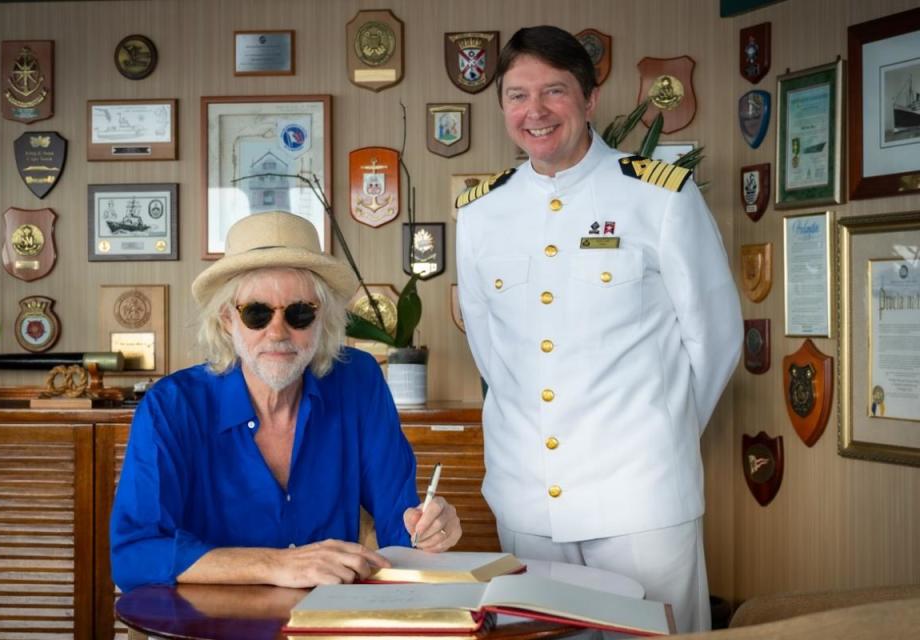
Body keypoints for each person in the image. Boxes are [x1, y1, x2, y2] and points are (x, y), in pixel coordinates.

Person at [455, 26, 742, 633]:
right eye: (517, 95)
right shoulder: (481, 213)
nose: (535, 111)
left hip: (641, 497)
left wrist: (658, 435)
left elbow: (715, 338)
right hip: (527, 497)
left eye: (554, 92)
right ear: (503, 106)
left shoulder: (659, 196)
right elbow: (491, 352)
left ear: (589, 101)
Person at [111, 211, 462, 592]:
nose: (278, 332)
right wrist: (275, 565)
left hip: (328, 625)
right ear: (228, 319)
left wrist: (428, 531)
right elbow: (135, 553)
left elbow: (398, 526)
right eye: (257, 314)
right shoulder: (171, 407)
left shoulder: (358, 382)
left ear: (322, 317)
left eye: (298, 313)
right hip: (211, 627)